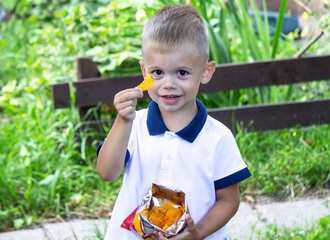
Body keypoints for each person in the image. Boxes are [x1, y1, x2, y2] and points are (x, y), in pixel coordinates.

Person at [96, 5, 251, 240]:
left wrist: (197, 234)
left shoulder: (218, 137)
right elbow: (106, 172)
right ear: (144, 71)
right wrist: (122, 121)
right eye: (157, 72)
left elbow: (229, 200)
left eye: (181, 73)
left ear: (206, 71)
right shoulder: (133, 126)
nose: (168, 83)